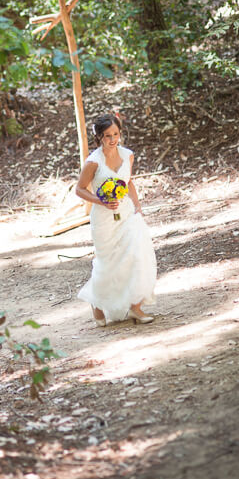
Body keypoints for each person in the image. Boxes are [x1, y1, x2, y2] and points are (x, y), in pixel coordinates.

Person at [75, 114, 157, 327]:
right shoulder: (93, 162)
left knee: (136, 255)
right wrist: (100, 200)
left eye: (116, 134)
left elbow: (128, 181)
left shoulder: (127, 155)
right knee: (109, 262)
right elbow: (80, 189)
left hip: (127, 213)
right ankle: (98, 302)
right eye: (108, 136)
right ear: (100, 137)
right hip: (103, 218)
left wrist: (137, 205)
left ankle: (136, 307)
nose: (113, 139)